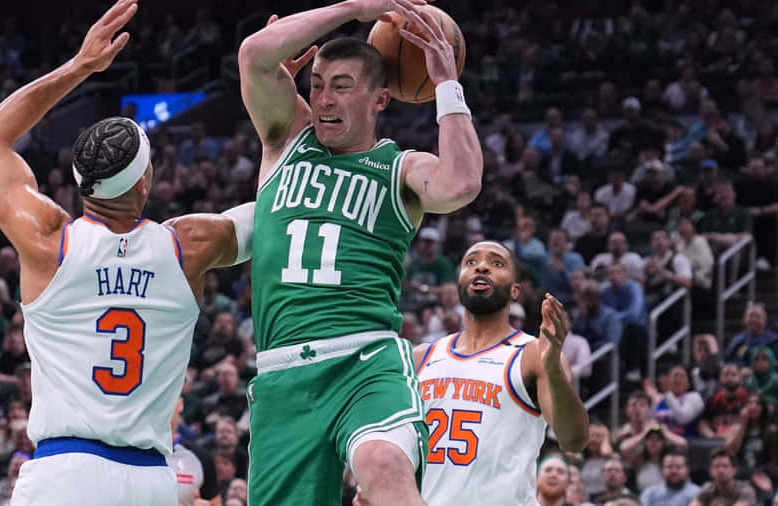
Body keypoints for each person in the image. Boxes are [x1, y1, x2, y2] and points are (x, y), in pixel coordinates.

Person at [0, 2, 254, 504]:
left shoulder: (48, 240)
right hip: (150, 479)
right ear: (145, 180)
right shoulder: (189, 245)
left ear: (80, 182)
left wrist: (79, 67)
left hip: (64, 473)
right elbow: (281, 206)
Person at [238, 0, 484, 504]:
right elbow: (255, 54)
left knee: (383, 461)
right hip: (283, 372)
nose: (325, 99)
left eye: (342, 86)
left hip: (364, 359)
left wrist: (445, 86)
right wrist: (355, 7)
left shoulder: (399, 167)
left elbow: (460, 183)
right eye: (318, 86)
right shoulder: (287, 138)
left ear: (380, 99)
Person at [411, 241, 588, 504]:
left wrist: (552, 368)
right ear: (459, 281)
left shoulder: (534, 355)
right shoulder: (421, 357)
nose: (481, 267)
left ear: (515, 290)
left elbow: (573, 440)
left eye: (496, 263)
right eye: (471, 262)